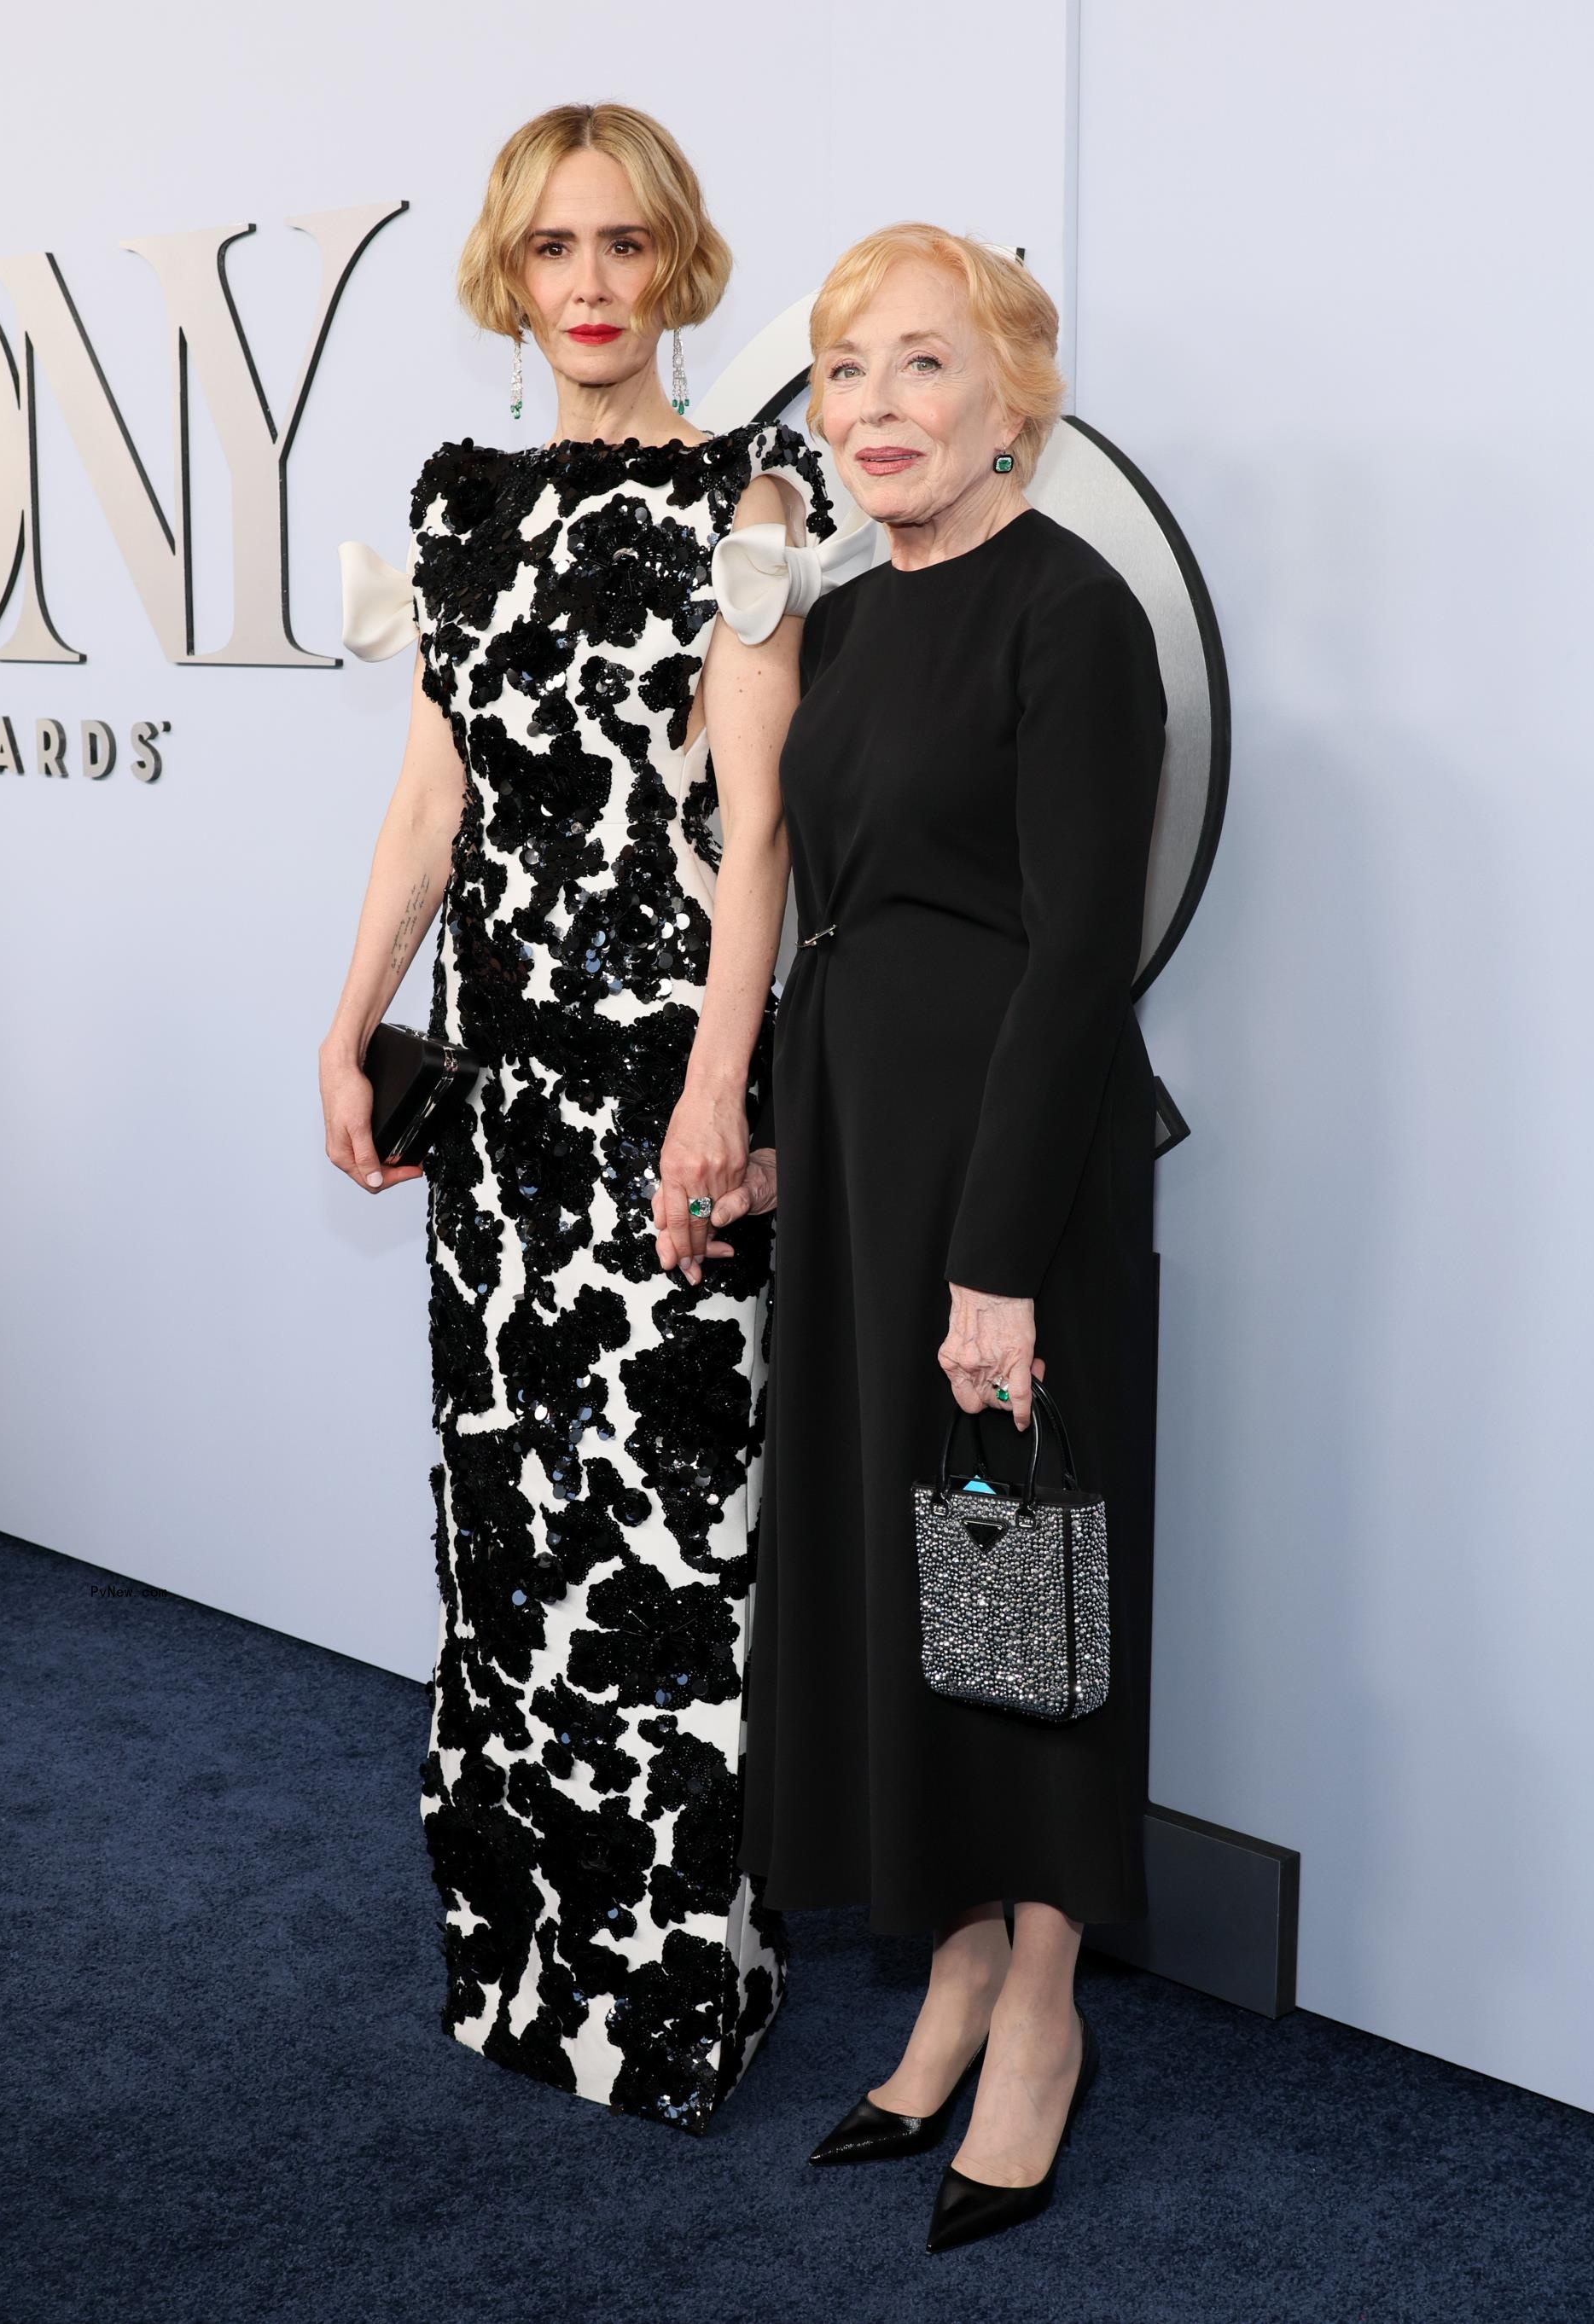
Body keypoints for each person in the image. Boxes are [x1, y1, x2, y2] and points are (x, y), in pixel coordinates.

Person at [318, 101, 837, 2133]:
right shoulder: (458, 504)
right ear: (510, 277)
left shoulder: (754, 494)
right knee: (507, 1526)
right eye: (557, 252)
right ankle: (519, 1968)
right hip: (500, 1094)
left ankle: (675, 2001)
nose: (595, 288)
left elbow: (759, 817)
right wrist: (350, 1014)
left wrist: (719, 1082)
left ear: (681, 266)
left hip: (663, 1094)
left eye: (627, 248)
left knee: (671, 1533)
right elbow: (436, 802)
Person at [708, 223, 1166, 2246]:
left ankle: (1045, 2003)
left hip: (1018, 1169)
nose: (872, 410)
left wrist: (998, 1257)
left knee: (1022, 1577)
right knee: (911, 1576)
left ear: (1014, 403)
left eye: (918, 368)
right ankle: (956, 1964)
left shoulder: (1071, 615)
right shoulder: (854, 616)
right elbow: (852, 912)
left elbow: (1075, 960)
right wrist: (793, 1133)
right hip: (866, 1156)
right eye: (842, 371)